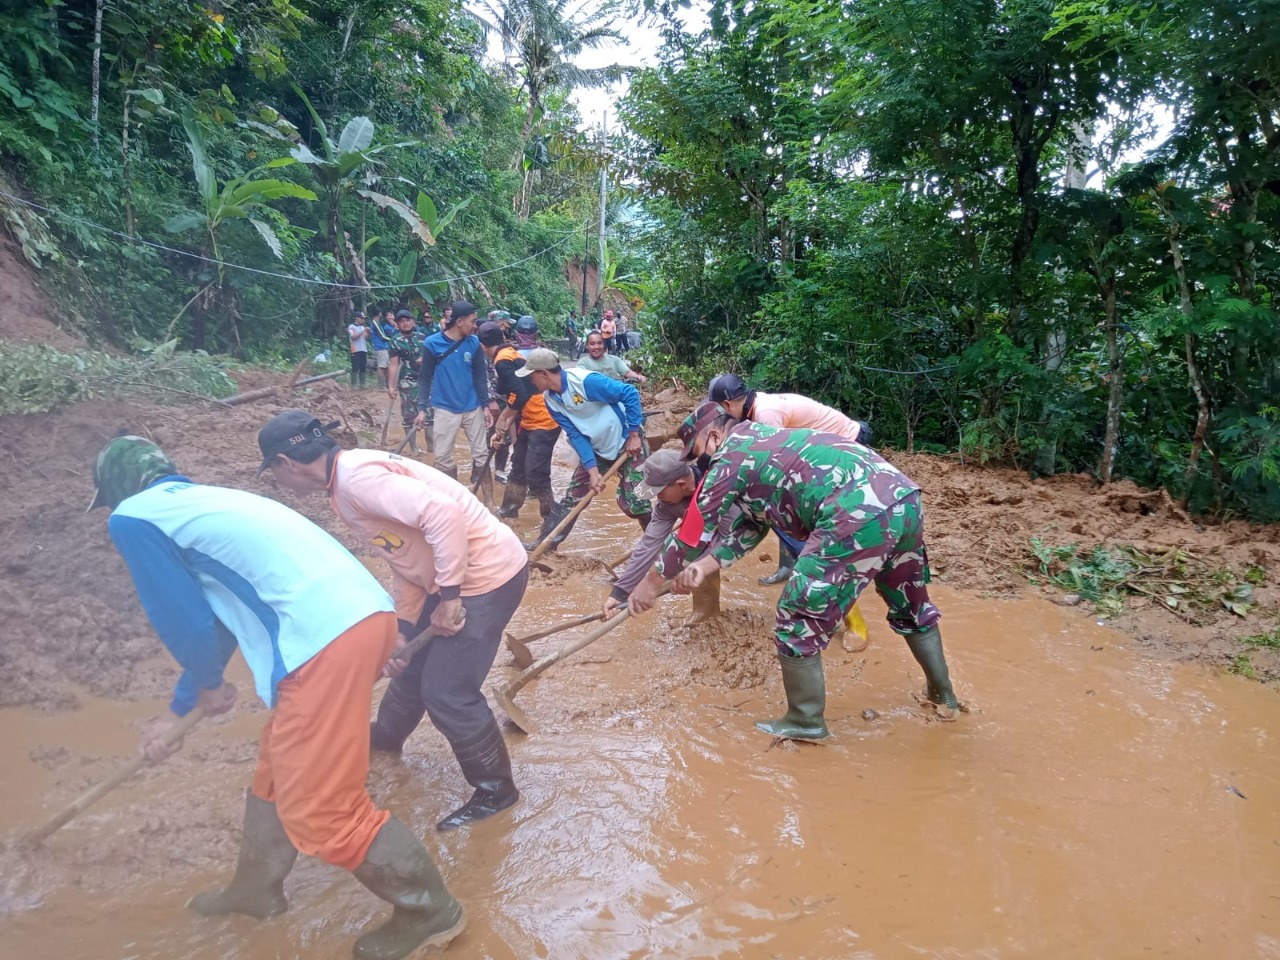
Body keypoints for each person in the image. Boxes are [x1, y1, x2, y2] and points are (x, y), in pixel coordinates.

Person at [90, 435, 464, 958]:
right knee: (276, 769)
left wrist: (208, 684)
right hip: (362, 619)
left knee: (321, 808)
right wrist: (187, 700)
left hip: (322, 639)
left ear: (117, 490)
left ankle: (430, 910)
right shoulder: (204, 503)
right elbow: (216, 623)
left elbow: (183, 619)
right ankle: (255, 889)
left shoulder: (132, 517)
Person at [259, 410, 529, 833]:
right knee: (410, 668)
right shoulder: (345, 481)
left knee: (447, 690)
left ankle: (497, 791)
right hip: (447, 576)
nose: (280, 482)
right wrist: (402, 630)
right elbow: (406, 558)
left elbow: (442, 515)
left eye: (274, 473)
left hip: (486, 577)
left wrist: (452, 599)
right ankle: (385, 738)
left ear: (285, 463)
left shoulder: (356, 481)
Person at [628, 403, 958, 740]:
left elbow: (691, 532)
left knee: (796, 615)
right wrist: (705, 565)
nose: (700, 463)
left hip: (853, 512)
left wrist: (648, 586)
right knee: (909, 602)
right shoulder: (763, 443)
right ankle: (943, 696)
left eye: (697, 452)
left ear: (714, 436)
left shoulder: (732, 454)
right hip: (902, 500)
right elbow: (749, 528)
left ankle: (805, 721)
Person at [707, 374, 872, 585]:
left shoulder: (766, 414)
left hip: (849, 446)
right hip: (829, 450)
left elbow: (777, 468)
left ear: (728, 404)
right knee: (780, 506)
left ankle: (828, 573)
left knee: (781, 505)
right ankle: (790, 565)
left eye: (719, 410)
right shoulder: (756, 407)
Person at [516, 347, 651, 550]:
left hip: (627, 443)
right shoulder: (550, 400)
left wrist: (633, 435)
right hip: (598, 448)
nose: (530, 382)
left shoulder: (585, 382)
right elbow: (576, 435)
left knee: (638, 501)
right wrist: (592, 470)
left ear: (543, 374)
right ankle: (545, 545)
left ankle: (655, 543)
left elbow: (629, 393)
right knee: (573, 498)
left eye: (531, 376)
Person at [603, 449, 720, 625]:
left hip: (759, 516)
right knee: (693, 557)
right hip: (704, 528)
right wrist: (620, 592)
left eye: (660, 491)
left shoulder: (717, 488)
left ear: (681, 483)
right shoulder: (667, 505)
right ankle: (706, 618)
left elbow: (727, 539)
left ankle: (707, 615)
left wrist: (683, 570)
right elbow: (648, 544)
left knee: (699, 558)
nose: (657, 498)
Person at [483, 325, 563, 532]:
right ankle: (509, 510)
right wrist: (500, 430)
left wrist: (502, 424)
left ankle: (550, 518)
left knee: (536, 472)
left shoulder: (503, 361)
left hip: (544, 423)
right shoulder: (511, 355)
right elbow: (514, 401)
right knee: (518, 467)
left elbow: (519, 397)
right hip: (529, 422)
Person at [415, 301, 492, 496]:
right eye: (473, 321)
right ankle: (454, 500)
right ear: (459, 321)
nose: (475, 326)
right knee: (442, 458)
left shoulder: (474, 343)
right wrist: (422, 408)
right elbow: (424, 378)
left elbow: (480, 376)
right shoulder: (432, 343)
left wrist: (485, 405)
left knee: (482, 455)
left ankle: (489, 501)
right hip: (444, 408)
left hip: (472, 406)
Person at [386, 309, 428, 454]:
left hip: (427, 381)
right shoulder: (395, 341)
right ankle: (414, 448)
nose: (405, 323)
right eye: (401, 321)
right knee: (409, 416)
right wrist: (391, 386)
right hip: (406, 382)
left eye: (407, 320)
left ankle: (432, 450)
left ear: (413, 321)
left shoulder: (423, 338)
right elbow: (393, 364)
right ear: (397, 324)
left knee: (430, 415)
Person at [577, 331, 647, 384]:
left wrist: (638, 377)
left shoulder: (614, 360)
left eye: (599, 343)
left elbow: (627, 372)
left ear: (604, 344)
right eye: (592, 344)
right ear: (587, 346)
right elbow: (581, 380)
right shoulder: (583, 363)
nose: (596, 347)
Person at [368, 306, 394, 390]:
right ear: (379, 314)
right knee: (381, 366)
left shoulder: (376, 322)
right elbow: (382, 335)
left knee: (386, 366)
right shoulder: (375, 323)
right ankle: (381, 386)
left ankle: (386, 385)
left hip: (382, 346)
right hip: (380, 347)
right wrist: (392, 340)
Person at [348, 311, 369, 389]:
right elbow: (353, 337)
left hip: (363, 349)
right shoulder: (351, 327)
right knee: (355, 367)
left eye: (363, 318)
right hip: (355, 349)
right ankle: (354, 384)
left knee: (363, 367)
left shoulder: (362, 327)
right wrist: (362, 331)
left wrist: (368, 332)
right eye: (361, 318)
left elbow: (366, 338)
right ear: (357, 318)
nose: (362, 320)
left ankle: (362, 384)